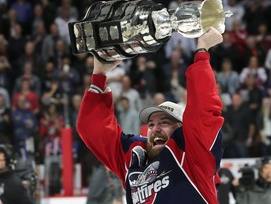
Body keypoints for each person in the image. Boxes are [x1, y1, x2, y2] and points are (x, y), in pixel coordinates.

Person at [76, 27, 224, 203]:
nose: (155, 129)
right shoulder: (134, 159)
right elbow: (93, 129)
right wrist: (99, 74)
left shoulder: (194, 157)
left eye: (164, 122)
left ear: (182, 129)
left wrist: (202, 51)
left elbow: (203, 112)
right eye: (151, 124)